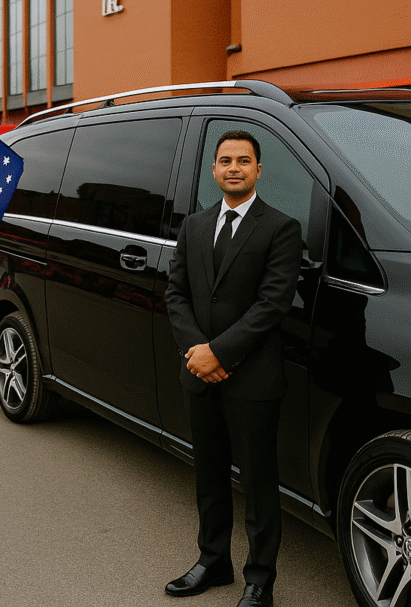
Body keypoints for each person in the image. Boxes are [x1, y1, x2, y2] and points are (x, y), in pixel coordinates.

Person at [164, 131, 302, 607]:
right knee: (208, 475)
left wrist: (218, 353)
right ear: (215, 170)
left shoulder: (281, 228)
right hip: (198, 374)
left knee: (259, 483)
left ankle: (260, 580)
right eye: (226, 161)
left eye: (244, 160)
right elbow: (175, 294)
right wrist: (198, 352)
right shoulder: (195, 226)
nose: (235, 168)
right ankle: (212, 561)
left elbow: (272, 305)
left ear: (259, 170)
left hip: (253, 378)